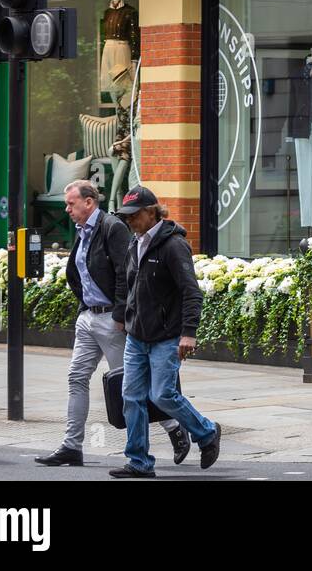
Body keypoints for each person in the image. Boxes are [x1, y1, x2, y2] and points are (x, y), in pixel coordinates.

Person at [35, 180, 189, 467]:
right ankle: (71, 446)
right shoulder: (82, 231)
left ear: (89, 202)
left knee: (131, 386)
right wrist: (85, 305)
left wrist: (120, 314)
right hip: (88, 317)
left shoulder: (112, 227)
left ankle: (174, 428)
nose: (67, 209)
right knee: (76, 378)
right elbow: (78, 271)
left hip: (112, 320)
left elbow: (127, 272)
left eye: (71, 203)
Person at [109, 187, 221, 478]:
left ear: (150, 212)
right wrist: (125, 315)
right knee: (131, 397)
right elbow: (131, 285)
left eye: (133, 216)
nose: (129, 221)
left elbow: (191, 293)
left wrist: (189, 333)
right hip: (137, 336)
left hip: (166, 337)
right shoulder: (135, 243)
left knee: (162, 395)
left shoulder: (173, 245)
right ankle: (139, 462)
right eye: (126, 217)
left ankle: (207, 432)